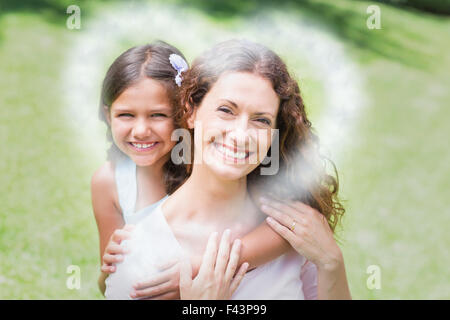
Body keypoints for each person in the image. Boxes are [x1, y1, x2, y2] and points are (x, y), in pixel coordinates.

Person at [105, 39, 350, 299]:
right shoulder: (139, 256)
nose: (241, 135)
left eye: (261, 120)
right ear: (190, 111)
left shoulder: (294, 228)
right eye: (226, 110)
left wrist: (332, 263)